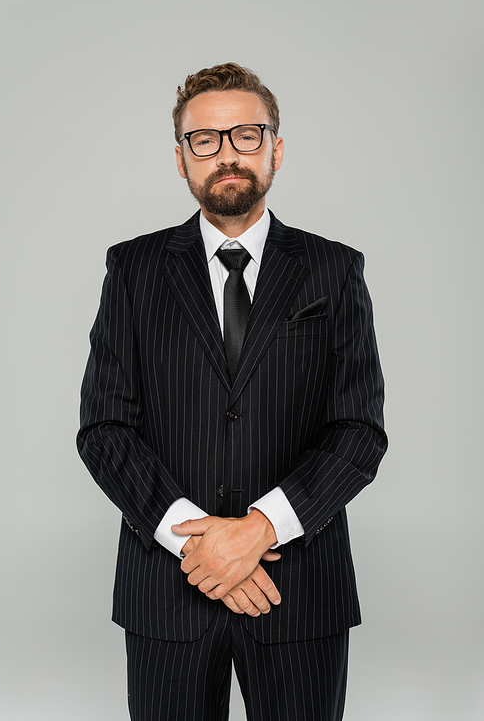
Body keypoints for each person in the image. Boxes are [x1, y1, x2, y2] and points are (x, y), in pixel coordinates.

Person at [77, 62, 387, 721]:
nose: (227, 154)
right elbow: (105, 428)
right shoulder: (132, 271)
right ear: (181, 159)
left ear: (275, 148)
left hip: (299, 586)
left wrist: (260, 528)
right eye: (206, 139)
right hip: (169, 587)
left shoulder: (334, 269)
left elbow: (358, 429)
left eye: (246, 135)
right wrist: (197, 541)